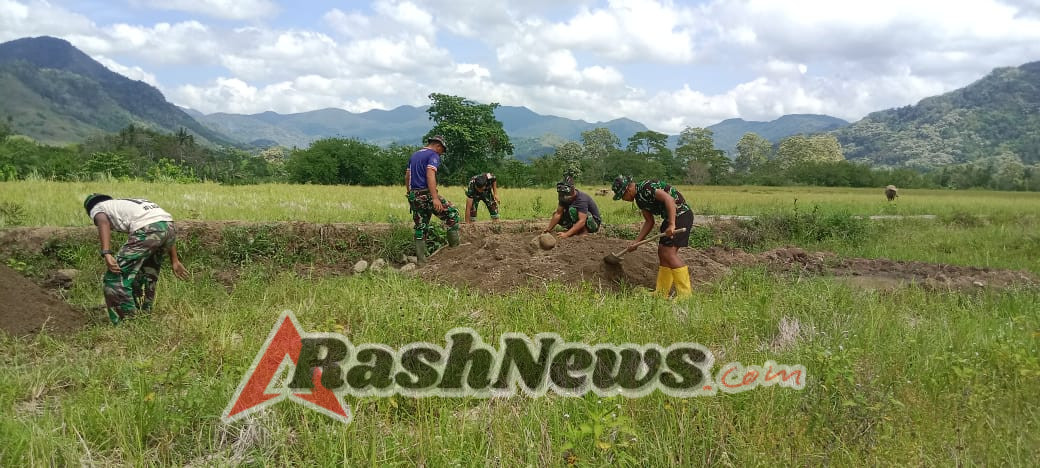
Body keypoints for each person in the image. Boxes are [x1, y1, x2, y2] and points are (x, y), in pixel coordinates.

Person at [83, 194, 188, 325]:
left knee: (114, 278)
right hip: (169, 226)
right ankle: (144, 316)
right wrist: (175, 260)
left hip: (148, 229)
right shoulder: (125, 204)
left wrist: (106, 253)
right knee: (147, 275)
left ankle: (128, 322)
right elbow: (160, 225)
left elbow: (102, 221)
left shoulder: (98, 208)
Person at [611, 175, 694, 299]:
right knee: (662, 252)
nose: (623, 199)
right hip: (669, 218)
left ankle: (685, 295)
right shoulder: (639, 199)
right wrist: (636, 242)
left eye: (622, 196)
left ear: (628, 190)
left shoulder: (646, 187)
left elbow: (669, 200)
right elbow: (649, 222)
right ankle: (661, 292)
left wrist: (672, 224)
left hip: (680, 215)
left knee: (668, 253)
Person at [405, 135, 460, 263]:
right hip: (427, 194)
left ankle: (421, 261)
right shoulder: (433, 155)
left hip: (414, 195)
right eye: (442, 150)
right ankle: (456, 251)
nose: (441, 154)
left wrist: (410, 194)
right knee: (452, 214)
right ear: (438, 146)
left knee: (420, 226)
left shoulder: (414, 155)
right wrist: (435, 198)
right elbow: (430, 174)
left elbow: (407, 176)